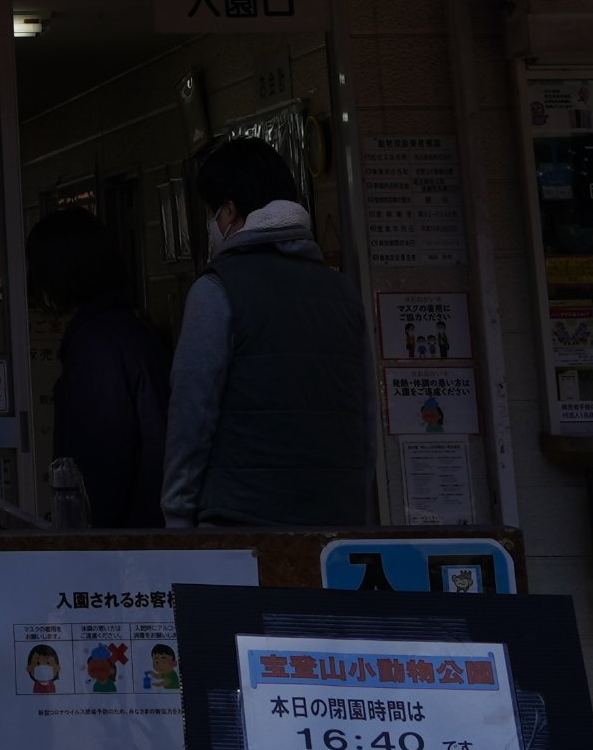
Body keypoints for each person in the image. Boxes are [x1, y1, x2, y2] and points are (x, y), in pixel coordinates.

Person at [158, 134, 375, 529]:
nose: (210, 226)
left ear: (228, 211)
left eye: (210, 213)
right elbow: (364, 414)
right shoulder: (342, 292)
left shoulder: (217, 288)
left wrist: (177, 515)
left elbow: (192, 411)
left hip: (240, 518)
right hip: (335, 520)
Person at [27, 204, 169, 527]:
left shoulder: (96, 345)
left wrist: (85, 534)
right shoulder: (128, 331)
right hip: (147, 527)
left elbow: (102, 458)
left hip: (119, 538)